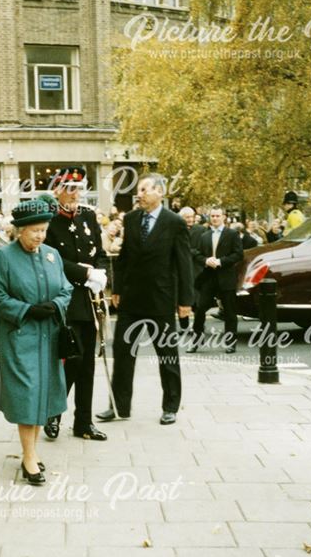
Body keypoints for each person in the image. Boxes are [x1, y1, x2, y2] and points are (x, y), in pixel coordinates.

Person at [97, 173, 193, 426]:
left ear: (159, 192)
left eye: (143, 190)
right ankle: (119, 406)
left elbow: (184, 264)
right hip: (131, 299)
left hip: (161, 299)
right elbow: (125, 258)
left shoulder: (175, 222)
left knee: (167, 354)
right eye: (138, 190)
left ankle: (171, 405)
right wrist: (116, 289)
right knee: (123, 351)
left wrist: (185, 301)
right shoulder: (131, 218)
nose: (138, 195)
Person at [0, 199, 73, 486]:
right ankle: (28, 459)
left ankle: (32, 452)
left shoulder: (51, 255)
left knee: (43, 394)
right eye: (35, 230)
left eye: (44, 230)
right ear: (20, 230)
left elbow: (67, 288)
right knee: (27, 395)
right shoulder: (5, 257)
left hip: (47, 338)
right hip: (20, 337)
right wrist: (27, 310)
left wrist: (56, 304)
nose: (40, 236)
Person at [42, 167, 109, 442]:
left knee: (87, 364)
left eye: (77, 189)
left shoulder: (89, 216)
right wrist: (85, 273)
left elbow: (101, 253)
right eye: (68, 189)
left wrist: (101, 274)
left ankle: (83, 422)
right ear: (56, 190)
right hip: (66, 298)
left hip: (90, 299)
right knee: (72, 359)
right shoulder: (50, 220)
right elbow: (50, 259)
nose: (74, 194)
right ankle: (53, 414)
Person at [189, 207, 243, 354]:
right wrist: (206, 260)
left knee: (230, 312)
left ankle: (230, 344)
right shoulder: (205, 235)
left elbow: (238, 254)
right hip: (209, 277)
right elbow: (196, 253)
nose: (215, 218)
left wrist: (220, 261)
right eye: (212, 216)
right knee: (200, 309)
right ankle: (196, 342)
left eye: (218, 216)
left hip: (226, 277)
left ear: (223, 217)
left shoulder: (232, 234)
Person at [179, 206, 207, 333]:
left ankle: (198, 325)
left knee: (198, 300)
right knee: (181, 298)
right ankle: (184, 325)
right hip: (181, 268)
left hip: (197, 269)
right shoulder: (176, 230)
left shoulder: (201, 230)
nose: (190, 220)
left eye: (192, 217)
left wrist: (190, 252)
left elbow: (204, 249)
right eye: (187, 217)